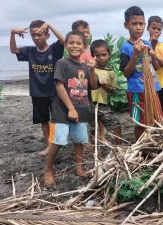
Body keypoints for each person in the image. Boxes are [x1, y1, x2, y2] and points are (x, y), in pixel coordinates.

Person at [44, 31, 100, 187]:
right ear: (66, 45)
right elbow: (59, 85)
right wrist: (70, 108)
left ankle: (79, 168)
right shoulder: (62, 63)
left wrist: (93, 70)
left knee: (79, 140)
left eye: (78, 43)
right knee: (58, 141)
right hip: (62, 111)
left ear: (84, 47)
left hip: (82, 109)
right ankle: (48, 169)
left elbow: (94, 86)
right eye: (71, 43)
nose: (74, 46)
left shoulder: (86, 66)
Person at [10, 20, 64, 156]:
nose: (36, 38)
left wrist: (50, 25)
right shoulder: (30, 51)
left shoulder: (54, 50)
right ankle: (49, 145)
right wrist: (12, 34)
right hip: (37, 92)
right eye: (34, 35)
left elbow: (64, 41)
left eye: (40, 34)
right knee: (43, 120)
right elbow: (14, 50)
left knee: (56, 120)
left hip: (54, 91)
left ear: (47, 36)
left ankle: (55, 143)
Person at [119, 6, 161, 141]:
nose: (138, 27)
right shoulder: (125, 47)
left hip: (152, 88)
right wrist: (135, 55)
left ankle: (152, 144)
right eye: (134, 24)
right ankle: (140, 148)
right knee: (140, 123)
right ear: (126, 25)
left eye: (141, 24)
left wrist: (153, 56)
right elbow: (126, 73)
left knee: (155, 120)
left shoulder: (147, 43)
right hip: (136, 90)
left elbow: (157, 67)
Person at [90, 40, 122, 145]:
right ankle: (95, 152)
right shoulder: (88, 69)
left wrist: (106, 87)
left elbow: (114, 91)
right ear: (92, 56)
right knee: (92, 129)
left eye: (104, 54)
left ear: (109, 54)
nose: (101, 58)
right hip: (88, 104)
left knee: (116, 126)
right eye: (97, 55)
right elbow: (92, 86)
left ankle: (119, 147)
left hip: (102, 104)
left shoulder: (110, 73)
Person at [147, 15, 163, 120]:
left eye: (159, 29)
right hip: (149, 84)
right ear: (148, 28)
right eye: (153, 28)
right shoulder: (143, 45)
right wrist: (152, 43)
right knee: (151, 109)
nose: (156, 31)